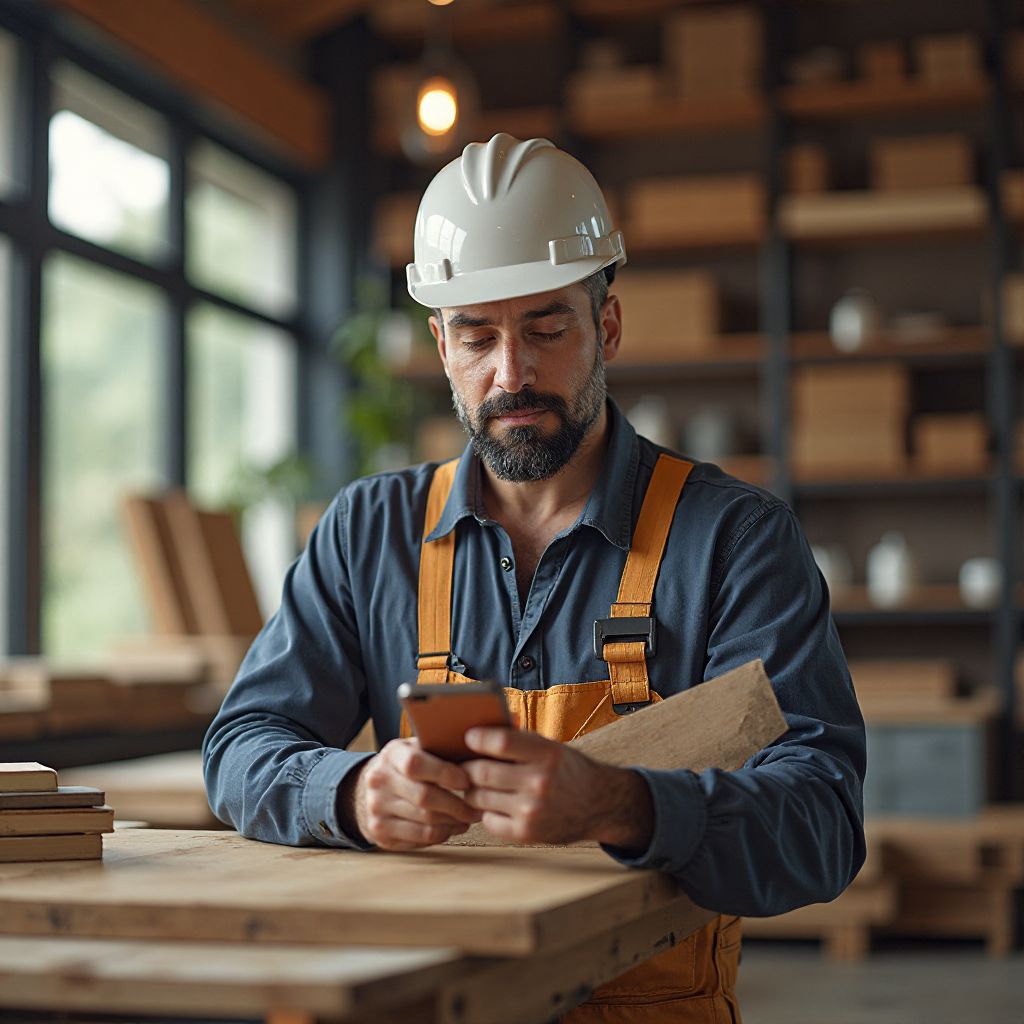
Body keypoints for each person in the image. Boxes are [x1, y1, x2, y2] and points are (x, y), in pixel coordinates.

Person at [203, 133, 866, 1023]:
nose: (510, 374)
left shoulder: (735, 539)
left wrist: (625, 805)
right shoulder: (370, 532)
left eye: (547, 327)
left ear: (608, 327)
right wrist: (354, 793)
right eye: (477, 336)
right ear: (441, 346)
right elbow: (241, 746)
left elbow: (823, 823)